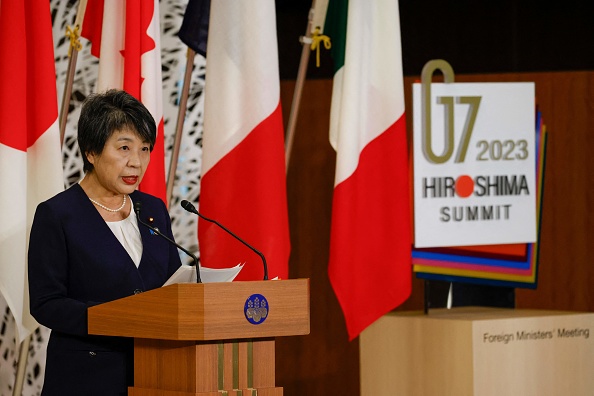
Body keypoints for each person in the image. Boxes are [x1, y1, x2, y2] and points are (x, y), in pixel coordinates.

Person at [28, 89, 182, 395]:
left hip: (157, 375)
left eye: (145, 149)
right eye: (124, 148)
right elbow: (46, 304)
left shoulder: (152, 210)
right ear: (91, 152)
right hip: (86, 377)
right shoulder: (57, 215)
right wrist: (116, 318)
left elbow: (173, 287)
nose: (136, 162)